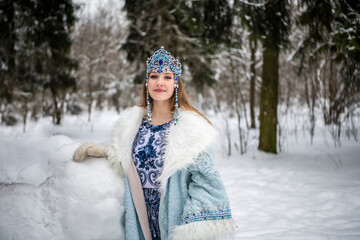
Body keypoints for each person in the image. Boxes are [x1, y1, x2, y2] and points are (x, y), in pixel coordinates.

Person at [73, 47, 236, 240]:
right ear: (146, 82)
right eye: (154, 76)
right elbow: (126, 157)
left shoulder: (192, 128)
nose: (160, 82)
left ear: (176, 83)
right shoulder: (131, 124)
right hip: (140, 215)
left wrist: (190, 227)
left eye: (167, 77)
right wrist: (104, 151)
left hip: (175, 216)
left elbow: (207, 182)